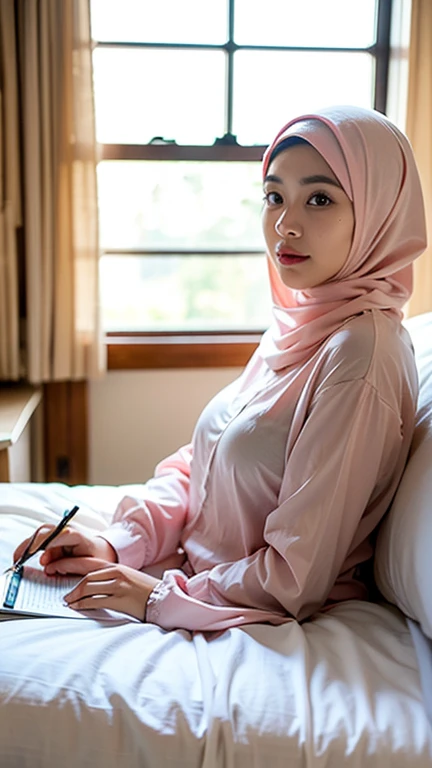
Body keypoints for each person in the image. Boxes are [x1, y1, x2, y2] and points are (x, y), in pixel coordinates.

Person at [14, 105, 427, 632]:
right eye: (274, 196)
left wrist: (159, 596)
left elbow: (295, 575)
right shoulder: (304, 325)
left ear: (378, 214)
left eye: (319, 199)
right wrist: (115, 544)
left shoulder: (361, 354)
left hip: (239, 611)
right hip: (191, 576)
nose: (285, 224)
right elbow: (199, 468)